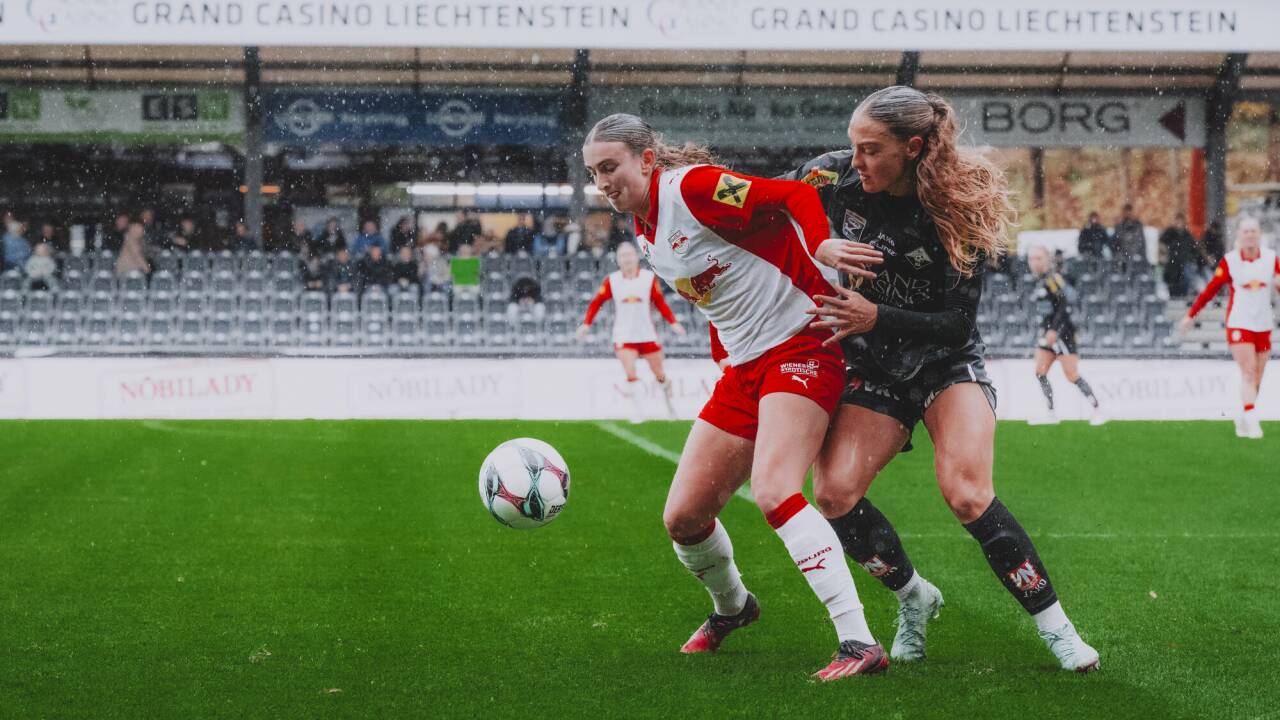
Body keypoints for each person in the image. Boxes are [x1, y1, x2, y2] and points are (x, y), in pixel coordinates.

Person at [783, 86, 1099, 672]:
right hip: (872, 363)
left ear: (913, 147)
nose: (856, 161)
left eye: (871, 150)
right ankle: (914, 598)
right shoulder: (831, 176)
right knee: (832, 494)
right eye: (854, 146)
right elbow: (765, 203)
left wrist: (876, 314)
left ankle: (1058, 629)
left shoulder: (959, 203)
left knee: (967, 493)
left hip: (945, 361)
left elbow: (957, 323)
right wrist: (815, 243)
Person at [583, 113, 887, 680]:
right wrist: (720, 348)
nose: (602, 182)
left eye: (609, 167)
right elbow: (718, 290)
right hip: (746, 369)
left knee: (774, 490)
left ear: (645, 160)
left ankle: (859, 641)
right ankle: (734, 608)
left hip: (803, 342)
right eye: (594, 173)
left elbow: (793, 195)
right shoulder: (644, 229)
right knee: (683, 517)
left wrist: (821, 243)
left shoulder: (693, 188)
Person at [1181, 216, 1279, 439]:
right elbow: (1211, 289)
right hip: (1239, 323)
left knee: (1257, 378)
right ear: (1239, 235)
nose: (1250, 235)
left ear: (1259, 234)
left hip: (1264, 324)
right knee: (1248, 371)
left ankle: (1244, 415)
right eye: (1246, 231)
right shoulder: (1230, 261)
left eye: (1253, 231)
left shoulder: (1271, 259)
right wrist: (1191, 315)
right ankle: (1252, 420)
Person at [576, 241, 685, 422]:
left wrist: (673, 322)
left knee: (659, 374)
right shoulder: (612, 281)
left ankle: (670, 405)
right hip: (624, 335)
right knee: (630, 373)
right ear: (618, 260)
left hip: (647, 334)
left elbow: (660, 302)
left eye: (629, 255)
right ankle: (638, 412)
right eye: (622, 256)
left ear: (636, 257)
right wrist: (587, 324)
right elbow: (597, 302)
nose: (626, 259)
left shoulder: (648, 279)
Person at [1027, 246, 1106, 426]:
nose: (1034, 262)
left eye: (1038, 258)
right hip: (1047, 335)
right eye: (1031, 258)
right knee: (1040, 372)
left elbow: (1065, 305)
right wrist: (1044, 329)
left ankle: (1097, 410)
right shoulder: (1039, 281)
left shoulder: (1053, 279)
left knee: (1072, 375)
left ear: (1047, 260)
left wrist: (1055, 330)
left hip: (1063, 335)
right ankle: (1051, 414)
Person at [1159, 213, 1199, 298]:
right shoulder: (1169, 232)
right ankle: (1174, 296)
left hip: (1184, 261)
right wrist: (1163, 256)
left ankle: (1183, 295)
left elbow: (1194, 247)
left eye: (1180, 221)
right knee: (1172, 281)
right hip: (1172, 262)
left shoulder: (1186, 234)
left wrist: (1192, 257)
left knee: (1185, 280)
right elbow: (1162, 244)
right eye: (1177, 221)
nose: (1179, 223)